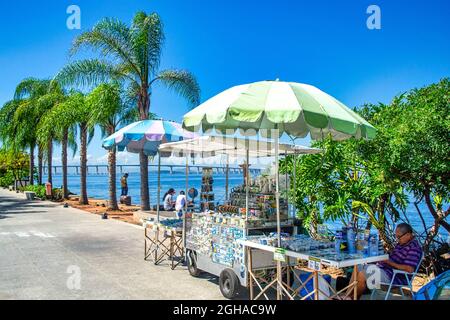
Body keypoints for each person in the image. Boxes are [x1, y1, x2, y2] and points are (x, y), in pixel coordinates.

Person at [345, 223, 423, 299]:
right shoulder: (402, 243)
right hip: (385, 270)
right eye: (396, 236)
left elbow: (409, 269)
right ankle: (347, 296)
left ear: (408, 235)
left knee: (363, 274)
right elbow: (393, 258)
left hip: (394, 276)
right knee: (358, 267)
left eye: (399, 237)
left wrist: (388, 262)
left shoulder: (414, 248)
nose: (397, 239)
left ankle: (353, 298)